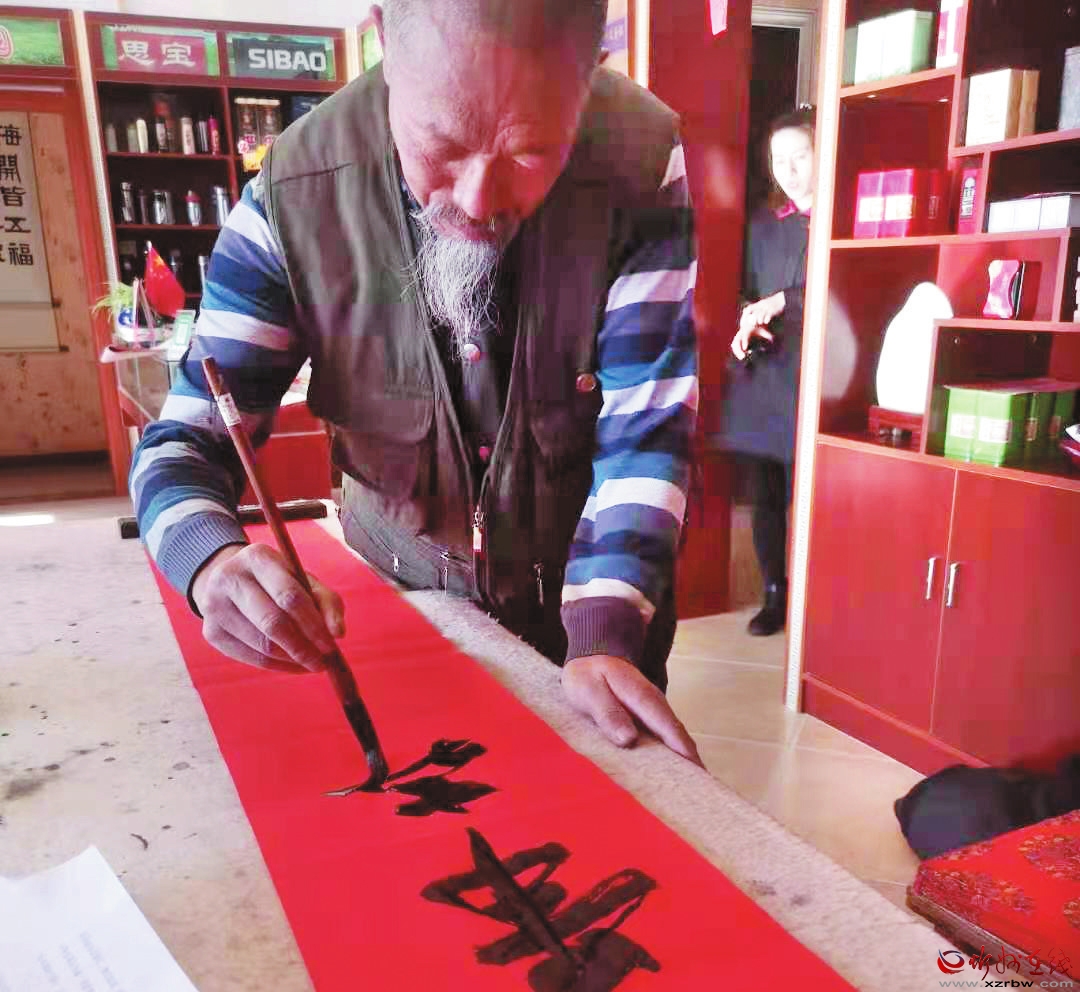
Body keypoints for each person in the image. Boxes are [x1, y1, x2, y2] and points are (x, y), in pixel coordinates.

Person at [130, 0, 702, 765]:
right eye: (443, 145)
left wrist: (606, 630)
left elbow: (647, 425)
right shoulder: (295, 191)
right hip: (396, 615)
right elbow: (184, 443)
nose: (477, 200)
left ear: (591, 70)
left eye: (532, 152)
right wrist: (208, 561)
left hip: (589, 615)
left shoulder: (640, 159)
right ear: (383, 40)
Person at [710, 106, 815, 636]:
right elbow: (743, 292)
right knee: (766, 494)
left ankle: (817, 597)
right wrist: (746, 322)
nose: (789, 170)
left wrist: (783, 302)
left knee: (814, 496)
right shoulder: (761, 224)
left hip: (819, 379)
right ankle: (775, 592)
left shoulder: (844, 222)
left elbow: (843, 292)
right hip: (766, 372)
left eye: (801, 156)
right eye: (780, 159)